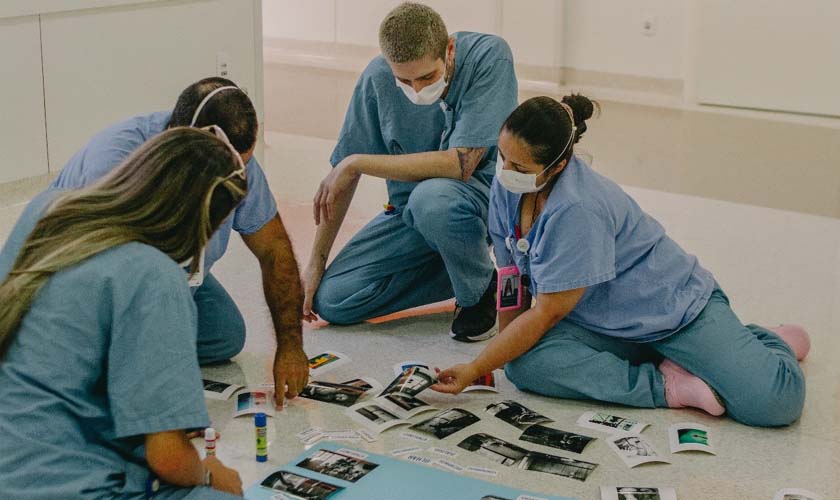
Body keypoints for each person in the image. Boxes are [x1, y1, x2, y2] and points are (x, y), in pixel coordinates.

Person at [432, 95, 810, 427]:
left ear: (558, 167)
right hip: (600, 321)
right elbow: (512, 277)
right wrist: (499, 355)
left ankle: (762, 341)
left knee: (773, 403)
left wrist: (476, 367)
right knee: (525, 364)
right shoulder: (506, 187)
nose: (505, 174)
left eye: (520, 168)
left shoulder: (578, 207)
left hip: (674, 312)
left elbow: (546, 313)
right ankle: (669, 386)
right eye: (503, 159)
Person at [0, 127, 247, 498]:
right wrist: (211, 475)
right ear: (203, 222)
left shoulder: (49, 208)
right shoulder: (155, 276)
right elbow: (167, 458)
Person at [51, 77, 308, 406]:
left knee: (225, 335)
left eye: (243, 165)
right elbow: (107, 277)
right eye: (227, 167)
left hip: (174, 274)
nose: (237, 176)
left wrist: (290, 346)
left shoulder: (239, 164)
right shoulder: (116, 161)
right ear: (188, 144)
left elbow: (274, 249)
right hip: (89, 282)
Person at [303, 2, 518, 342]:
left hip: (479, 202)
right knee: (334, 301)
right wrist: (315, 262)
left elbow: (460, 165)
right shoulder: (377, 78)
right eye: (404, 80)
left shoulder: (490, 56)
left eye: (427, 77)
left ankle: (477, 292)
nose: (417, 90)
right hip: (410, 215)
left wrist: (358, 161)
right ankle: (466, 266)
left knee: (432, 197)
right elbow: (342, 180)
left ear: (448, 50)